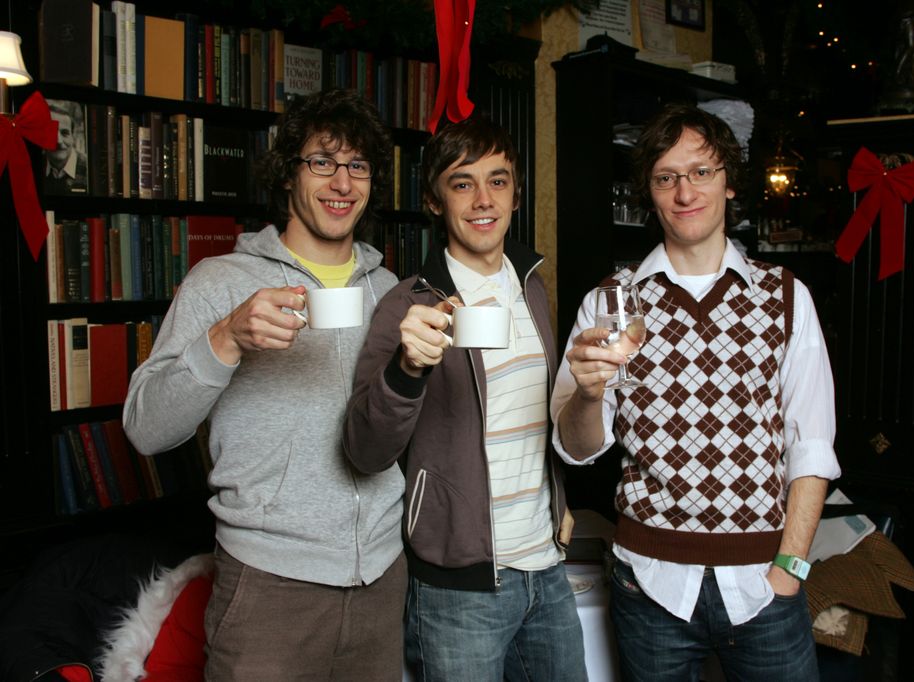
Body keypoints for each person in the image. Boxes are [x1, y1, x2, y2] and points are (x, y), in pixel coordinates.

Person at [550, 103, 841, 681]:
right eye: (667, 177)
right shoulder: (610, 303)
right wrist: (585, 396)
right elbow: (577, 449)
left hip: (764, 586)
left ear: (729, 183)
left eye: (702, 172)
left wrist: (791, 567)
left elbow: (812, 444)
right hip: (649, 584)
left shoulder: (784, 296)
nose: (686, 192)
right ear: (650, 193)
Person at [122, 88, 406, 680]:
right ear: (287, 175)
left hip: (383, 579)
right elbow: (145, 429)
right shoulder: (221, 282)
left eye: (358, 165)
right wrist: (226, 337)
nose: (342, 182)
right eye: (322, 161)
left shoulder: (391, 289)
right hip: (268, 585)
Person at [344, 114, 586, 681]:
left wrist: (559, 499)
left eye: (497, 181)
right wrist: (407, 370)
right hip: (458, 588)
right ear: (435, 200)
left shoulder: (534, 287)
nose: (483, 199)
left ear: (516, 195)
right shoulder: (406, 305)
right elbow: (363, 449)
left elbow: (538, 416)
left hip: (546, 570)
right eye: (462, 182)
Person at [44, 100, 88, 195]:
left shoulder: (90, 169)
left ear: (73, 136)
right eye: (52, 132)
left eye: (65, 133)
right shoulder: (33, 168)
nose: (58, 141)